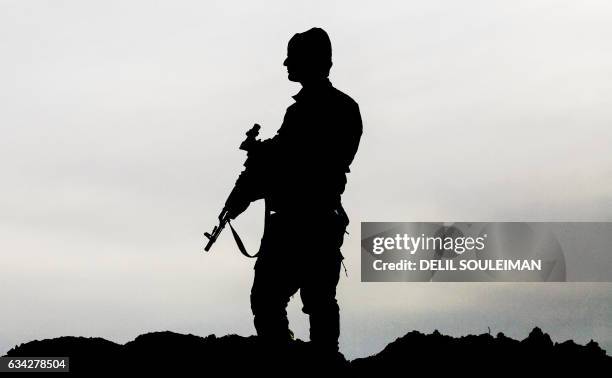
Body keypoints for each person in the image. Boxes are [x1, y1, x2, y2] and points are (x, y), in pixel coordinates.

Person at [224, 27, 363, 353]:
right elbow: (288, 156)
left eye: (294, 58)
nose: (287, 64)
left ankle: (290, 361)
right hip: (317, 221)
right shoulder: (339, 107)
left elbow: (295, 161)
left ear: (311, 61)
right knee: (316, 301)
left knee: (274, 299)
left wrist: (256, 172)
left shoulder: (310, 111)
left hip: (300, 222)